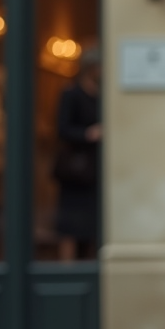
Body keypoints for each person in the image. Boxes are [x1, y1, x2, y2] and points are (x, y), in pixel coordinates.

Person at [53, 47, 102, 260]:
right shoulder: (71, 93)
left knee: (92, 227)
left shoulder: (103, 95)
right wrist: (88, 134)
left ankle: (88, 270)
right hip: (75, 172)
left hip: (95, 171)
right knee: (71, 228)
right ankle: (67, 275)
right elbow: (62, 129)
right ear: (90, 68)